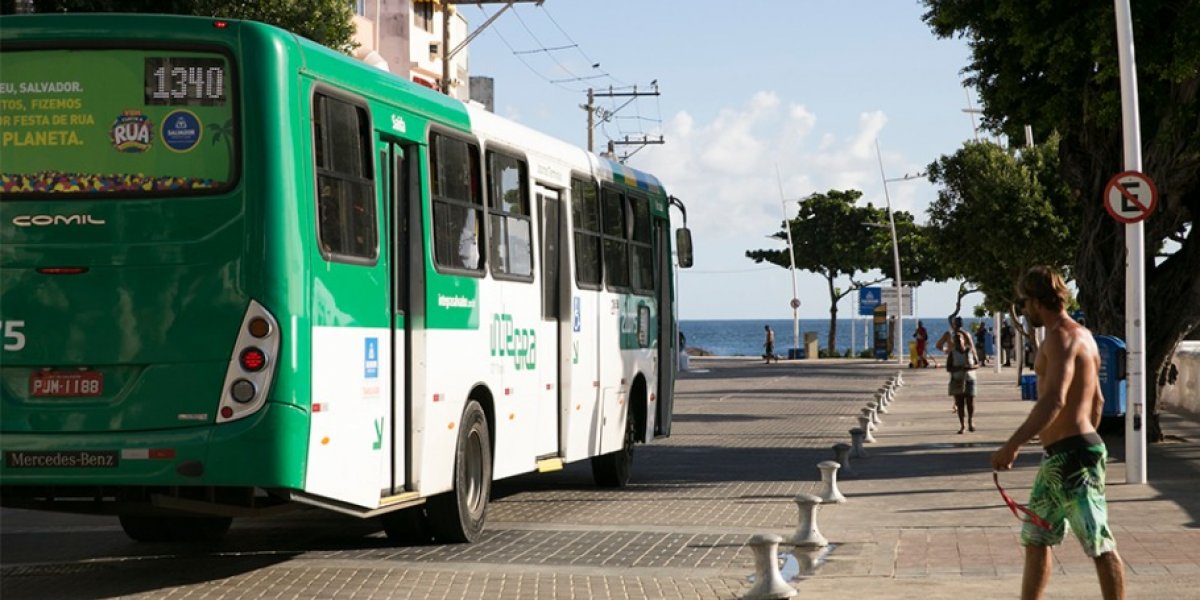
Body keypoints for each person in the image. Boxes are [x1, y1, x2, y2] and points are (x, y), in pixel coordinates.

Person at [991, 266, 1124, 600]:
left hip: (1073, 459)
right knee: (1036, 537)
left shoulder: (1061, 337)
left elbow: (1053, 400)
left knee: (1098, 540)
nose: (1023, 310)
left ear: (1037, 302)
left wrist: (1013, 444)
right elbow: (1098, 401)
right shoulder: (1084, 335)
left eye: (1024, 303)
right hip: (1060, 457)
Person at [946, 329, 978, 433]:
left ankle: (970, 421)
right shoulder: (952, 353)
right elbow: (948, 367)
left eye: (959, 340)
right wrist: (959, 368)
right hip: (957, 380)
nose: (958, 343)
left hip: (970, 379)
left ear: (964, 341)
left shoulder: (970, 351)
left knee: (970, 402)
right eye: (956, 341)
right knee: (960, 404)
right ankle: (962, 425)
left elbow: (977, 364)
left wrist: (970, 367)